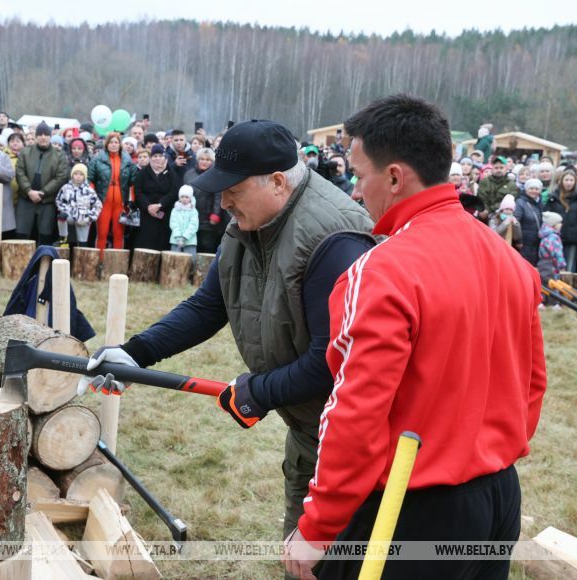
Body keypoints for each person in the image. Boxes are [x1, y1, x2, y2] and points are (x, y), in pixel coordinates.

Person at [78, 120, 375, 571]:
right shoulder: (248, 223)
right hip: (310, 430)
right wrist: (136, 353)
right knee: (303, 561)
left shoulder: (335, 241)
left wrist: (258, 391)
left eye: (232, 189)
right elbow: (207, 306)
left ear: (277, 182)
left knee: (341, 562)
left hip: (356, 443)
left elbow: (333, 362)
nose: (223, 201)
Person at [284, 94, 545, 580]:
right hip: (497, 497)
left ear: (396, 176)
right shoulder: (513, 263)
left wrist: (317, 526)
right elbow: (531, 386)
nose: (357, 192)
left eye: (360, 176)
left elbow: (355, 412)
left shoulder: (381, 271)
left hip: (409, 508)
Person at [15, 122, 69, 245]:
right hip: (26, 200)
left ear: (50, 137)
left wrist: (43, 192)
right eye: (40, 134)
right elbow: (20, 172)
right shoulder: (25, 152)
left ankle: (43, 264)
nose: (43, 137)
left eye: (46, 134)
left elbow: (61, 177)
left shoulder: (59, 155)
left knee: (45, 237)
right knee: (21, 237)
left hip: (47, 202)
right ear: (36, 137)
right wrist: (29, 191)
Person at [87, 132, 135, 251]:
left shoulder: (127, 160)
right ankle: (100, 261)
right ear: (106, 144)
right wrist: (93, 197)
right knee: (102, 233)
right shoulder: (97, 159)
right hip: (103, 201)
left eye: (116, 142)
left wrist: (131, 201)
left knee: (118, 234)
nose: (113, 145)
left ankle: (117, 262)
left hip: (121, 202)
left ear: (120, 144)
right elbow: (90, 179)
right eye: (111, 142)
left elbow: (133, 182)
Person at [132, 144, 177, 251]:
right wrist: (148, 206)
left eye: (160, 156)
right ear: (151, 158)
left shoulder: (171, 173)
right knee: (144, 243)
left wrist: (160, 204)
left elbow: (174, 192)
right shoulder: (143, 173)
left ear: (165, 157)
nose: (158, 158)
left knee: (161, 242)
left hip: (164, 213)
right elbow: (138, 191)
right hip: (146, 213)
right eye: (155, 156)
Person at [184, 147, 226, 254]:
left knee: (206, 246)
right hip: (190, 217)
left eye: (207, 160)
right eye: (201, 159)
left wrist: (215, 215)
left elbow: (218, 197)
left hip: (207, 219)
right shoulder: (189, 174)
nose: (204, 162)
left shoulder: (216, 176)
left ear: (212, 162)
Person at [543, 168, 577, 271]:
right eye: (566, 180)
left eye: (571, 180)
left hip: (572, 238)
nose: (568, 183)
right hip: (554, 238)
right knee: (554, 266)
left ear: (575, 182)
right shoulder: (553, 198)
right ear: (561, 181)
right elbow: (546, 216)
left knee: (569, 267)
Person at [56, 163, 101, 248]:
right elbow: (59, 200)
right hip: (70, 215)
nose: (78, 176)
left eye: (81, 174)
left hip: (83, 218)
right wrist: (66, 210)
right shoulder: (65, 188)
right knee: (61, 216)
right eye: (76, 174)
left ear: (85, 176)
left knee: (82, 244)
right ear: (72, 175)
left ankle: (82, 249)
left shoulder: (89, 190)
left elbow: (98, 205)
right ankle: (63, 238)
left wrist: (90, 217)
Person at [537, 211, 566, 309]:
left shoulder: (545, 235)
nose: (561, 225)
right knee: (554, 283)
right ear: (554, 224)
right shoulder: (553, 237)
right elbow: (557, 252)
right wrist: (561, 264)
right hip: (551, 263)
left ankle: (541, 302)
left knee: (544, 283)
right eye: (559, 223)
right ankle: (555, 304)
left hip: (542, 263)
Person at [515, 178, 544, 265]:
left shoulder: (540, 203)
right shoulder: (520, 202)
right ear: (526, 189)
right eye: (531, 188)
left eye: (536, 189)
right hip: (524, 242)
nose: (534, 191)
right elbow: (516, 221)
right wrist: (518, 240)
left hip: (536, 242)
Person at [168, 185, 199, 259]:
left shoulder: (194, 211)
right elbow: (173, 223)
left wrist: (185, 237)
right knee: (174, 259)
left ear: (190, 198)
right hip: (176, 239)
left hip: (190, 240)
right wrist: (178, 237)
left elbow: (193, 225)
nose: (184, 199)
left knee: (191, 261)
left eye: (186, 197)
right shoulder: (175, 210)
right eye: (182, 196)